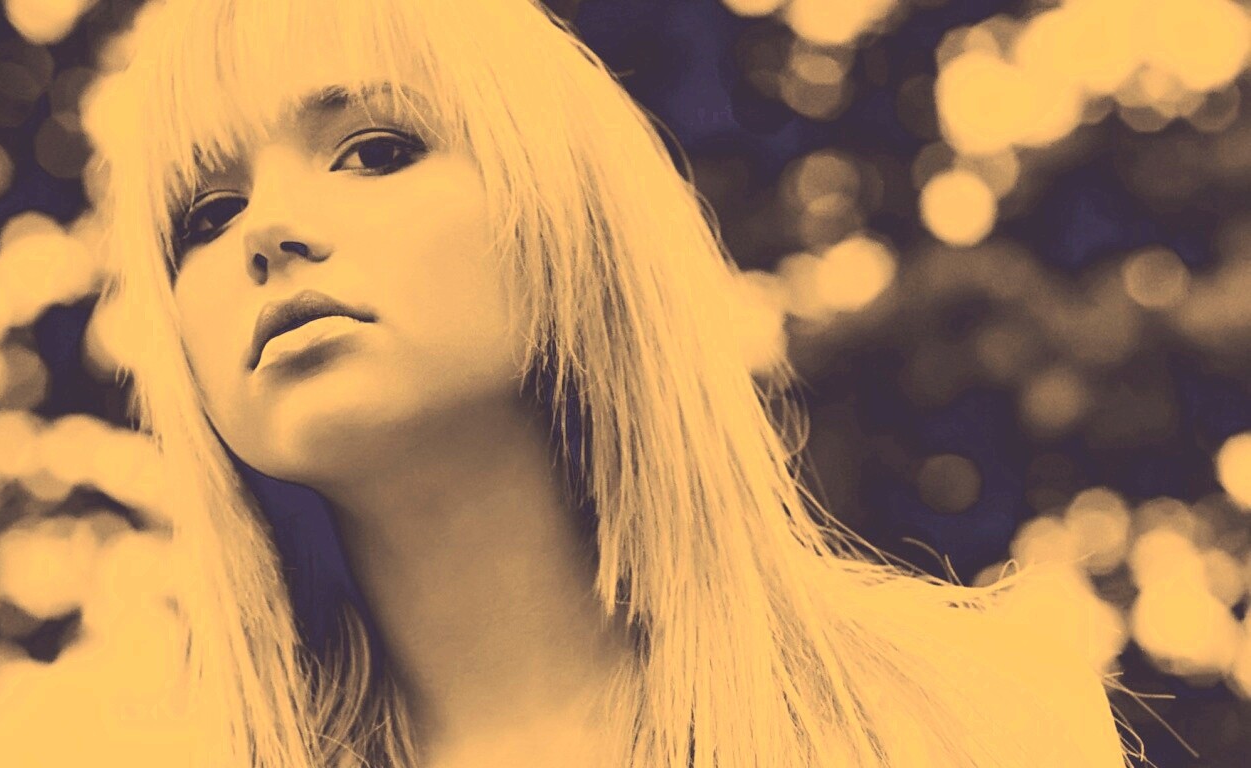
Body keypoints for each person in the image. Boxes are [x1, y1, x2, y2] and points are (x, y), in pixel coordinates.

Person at [83, 0, 1138, 765]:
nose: (265, 229)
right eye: (205, 216)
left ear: (564, 222)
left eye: (374, 149)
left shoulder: (964, 722)